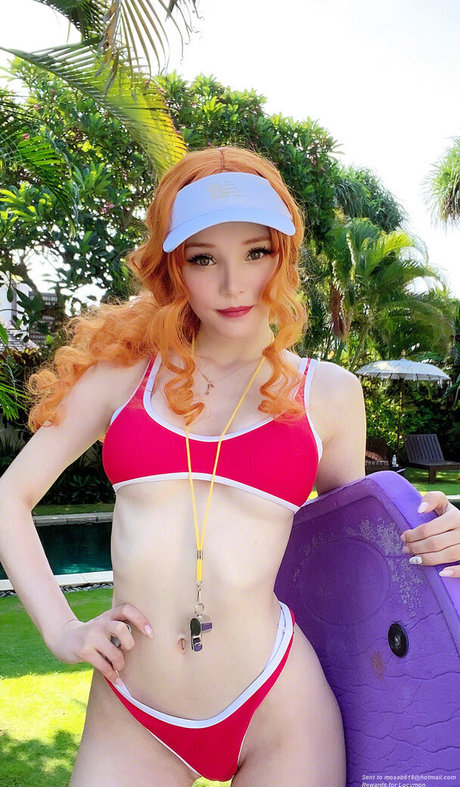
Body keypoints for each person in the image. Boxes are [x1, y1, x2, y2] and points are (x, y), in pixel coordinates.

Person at [0, 146, 459, 787]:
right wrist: (60, 630)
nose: (233, 284)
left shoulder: (327, 393)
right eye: (203, 258)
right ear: (173, 265)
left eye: (255, 252)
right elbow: (9, 496)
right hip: (133, 710)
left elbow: (357, 551)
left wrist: (442, 530)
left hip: (278, 706)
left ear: (283, 255)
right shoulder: (122, 375)